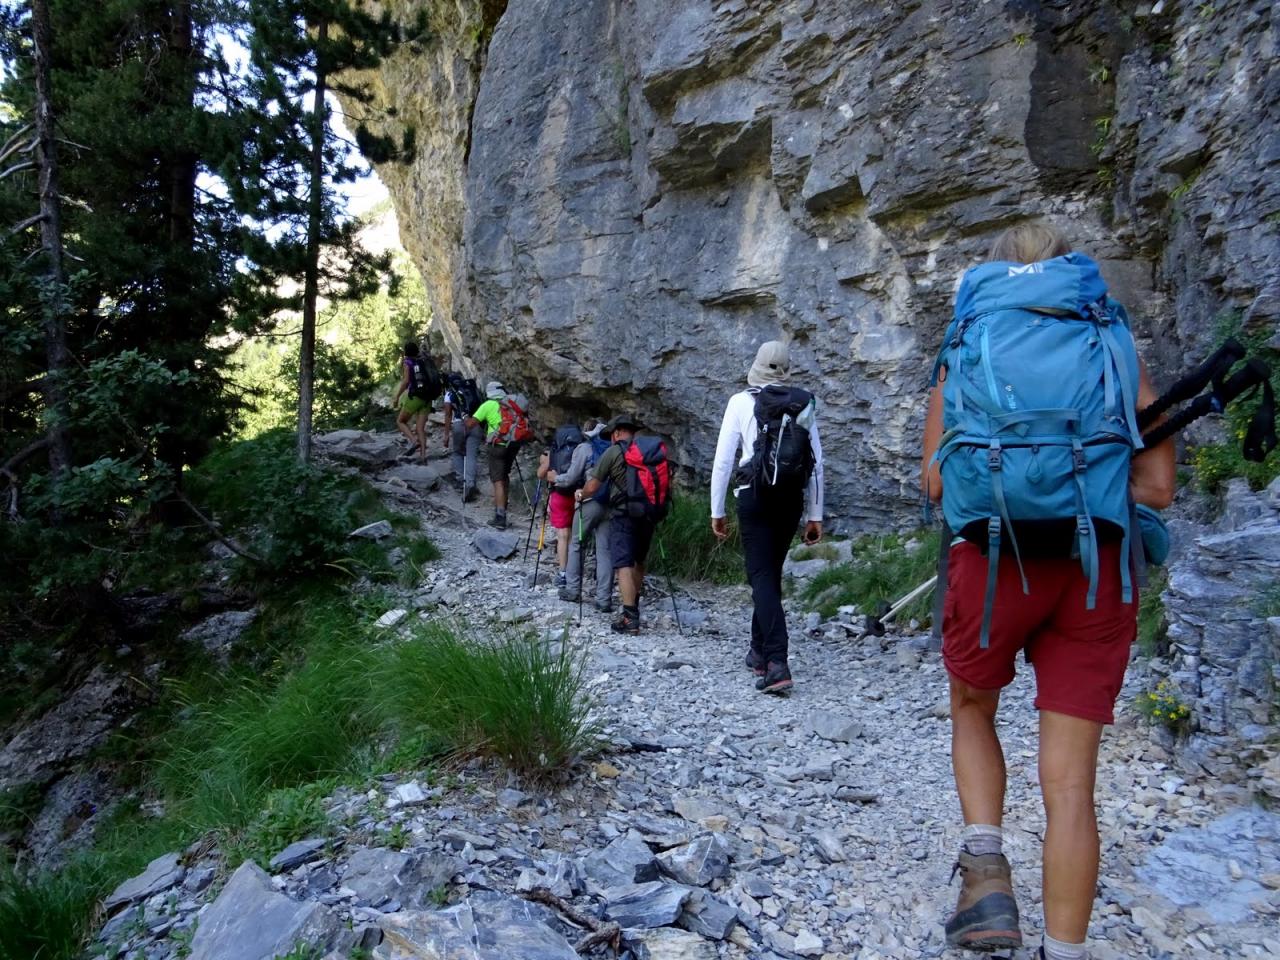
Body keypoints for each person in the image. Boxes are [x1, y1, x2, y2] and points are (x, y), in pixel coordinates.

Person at [921, 223, 1175, 960]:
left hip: (992, 565)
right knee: (1072, 786)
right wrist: (1080, 482)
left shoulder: (968, 341)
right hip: (1096, 573)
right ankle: (1062, 951)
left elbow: (939, 481)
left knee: (972, 704)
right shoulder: (1110, 338)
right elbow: (1157, 486)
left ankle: (988, 876)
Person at [710, 340, 825, 694]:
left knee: (760, 575)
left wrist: (717, 510)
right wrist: (815, 514)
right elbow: (817, 463)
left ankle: (777, 661)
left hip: (754, 497)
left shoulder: (741, 401)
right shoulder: (803, 403)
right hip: (790, 499)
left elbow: (724, 460)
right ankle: (758, 650)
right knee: (770, 574)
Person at [576, 414, 652, 634]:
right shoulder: (648, 451)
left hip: (623, 514)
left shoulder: (614, 451)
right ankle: (634, 606)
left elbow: (593, 485)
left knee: (623, 563)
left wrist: (581, 494)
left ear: (617, 433)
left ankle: (629, 618)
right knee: (639, 560)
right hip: (648, 513)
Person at [556, 421, 614, 611]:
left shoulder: (584, 447)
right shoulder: (614, 448)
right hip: (611, 504)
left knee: (576, 544)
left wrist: (555, 478)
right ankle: (604, 599)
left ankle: (573, 590)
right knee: (604, 551)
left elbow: (572, 477)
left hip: (588, 501)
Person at [466, 381, 530, 529]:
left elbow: (471, 424)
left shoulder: (488, 405)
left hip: (497, 445)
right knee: (504, 475)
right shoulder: (511, 404)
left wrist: (464, 417)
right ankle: (502, 508)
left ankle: (500, 517)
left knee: (497, 480)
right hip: (514, 444)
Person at [536, 425, 583, 589]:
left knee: (563, 535)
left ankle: (563, 573)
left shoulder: (554, 450)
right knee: (574, 534)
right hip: (578, 493)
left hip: (559, 494)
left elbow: (540, 474)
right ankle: (574, 571)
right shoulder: (581, 448)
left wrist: (544, 462)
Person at [391, 342, 433, 462]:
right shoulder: (423, 360)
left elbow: (406, 381)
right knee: (420, 428)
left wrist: (397, 397)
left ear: (406, 352)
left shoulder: (408, 362)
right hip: (428, 398)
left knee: (400, 421)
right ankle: (423, 456)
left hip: (415, 397)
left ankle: (414, 441)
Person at [446, 373, 484, 502]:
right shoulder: (471, 389)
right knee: (471, 455)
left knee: (457, 452)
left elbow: (447, 415)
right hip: (475, 423)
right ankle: (470, 483)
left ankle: (460, 480)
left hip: (459, 425)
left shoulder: (450, 393)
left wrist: (446, 434)